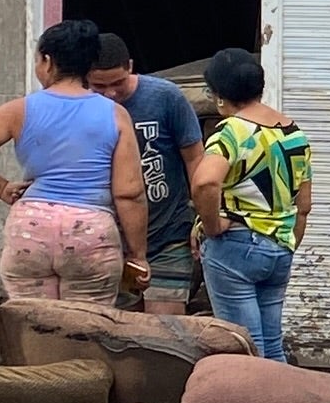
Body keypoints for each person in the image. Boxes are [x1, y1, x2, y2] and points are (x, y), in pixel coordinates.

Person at [0, 18, 147, 307]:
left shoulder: (20, 110)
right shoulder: (115, 115)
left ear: (47, 62)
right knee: (88, 329)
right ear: (89, 66)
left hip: (30, 229)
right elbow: (129, 193)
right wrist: (138, 255)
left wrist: (2, 189)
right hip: (90, 233)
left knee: (34, 327)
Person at [188, 46, 309, 362]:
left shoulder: (232, 132)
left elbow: (205, 182)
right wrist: (287, 243)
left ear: (218, 95)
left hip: (236, 247)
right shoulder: (294, 133)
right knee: (271, 346)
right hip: (279, 247)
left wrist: (211, 227)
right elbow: (304, 204)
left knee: (244, 347)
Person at [89, 33, 206, 313]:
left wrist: (202, 218)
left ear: (130, 66)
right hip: (106, 240)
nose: (110, 94)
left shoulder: (165, 97)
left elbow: (195, 159)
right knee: (107, 328)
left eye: (117, 83)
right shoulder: (82, 107)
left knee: (165, 333)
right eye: (99, 86)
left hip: (169, 235)